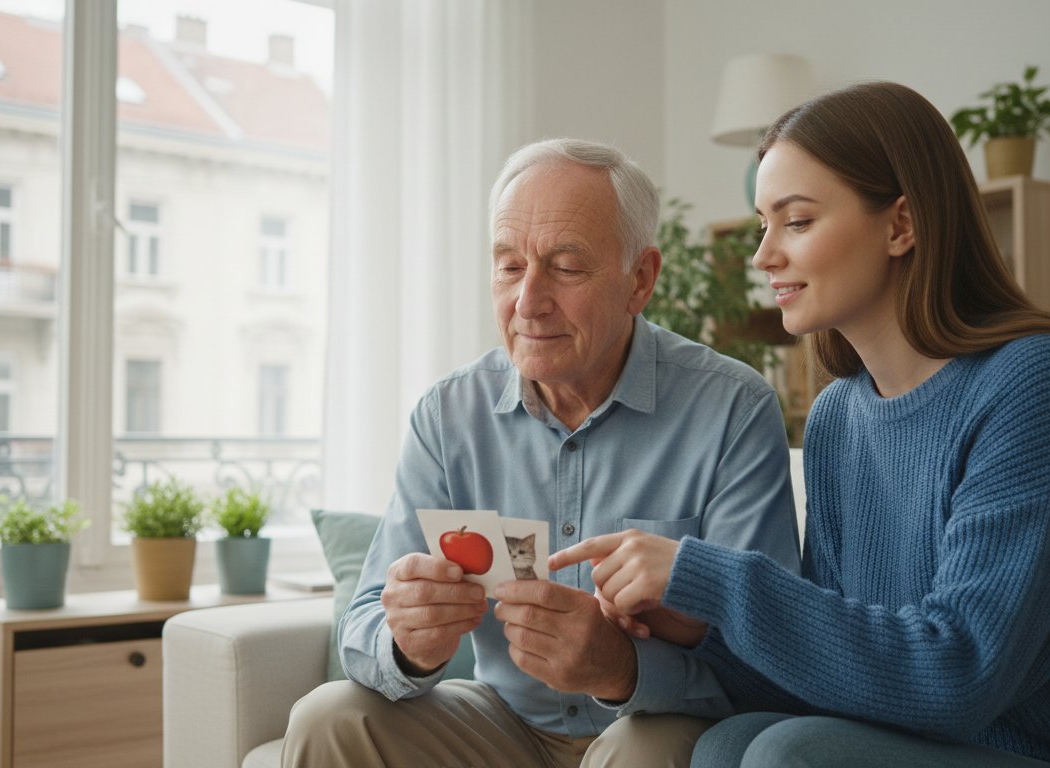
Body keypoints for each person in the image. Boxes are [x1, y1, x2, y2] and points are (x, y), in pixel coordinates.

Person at [551, 82, 1050, 768]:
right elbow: (832, 682)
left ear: (900, 225)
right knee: (730, 744)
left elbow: (958, 674)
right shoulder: (838, 419)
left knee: (790, 755)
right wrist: (695, 625)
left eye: (795, 221)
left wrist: (716, 578)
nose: (764, 256)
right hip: (944, 747)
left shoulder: (1038, 383)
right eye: (762, 224)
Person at [279, 138, 800, 767]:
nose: (528, 302)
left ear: (640, 279)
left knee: (640, 748)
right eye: (508, 266)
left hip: (654, 722)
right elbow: (364, 622)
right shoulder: (448, 416)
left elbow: (774, 656)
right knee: (328, 717)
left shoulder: (732, 409)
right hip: (506, 725)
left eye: (566, 266)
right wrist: (408, 644)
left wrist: (623, 668)